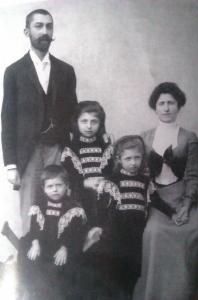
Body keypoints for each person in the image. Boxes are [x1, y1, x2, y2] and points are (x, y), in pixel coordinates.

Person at [1, 9, 78, 235]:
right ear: (27, 31)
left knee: (58, 207)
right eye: (39, 26)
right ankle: (28, 264)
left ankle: (56, 264)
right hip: (28, 153)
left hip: (57, 148)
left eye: (49, 26)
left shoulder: (66, 71)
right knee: (30, 209)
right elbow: (8, 119)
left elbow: (74, 114)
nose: (45, 31)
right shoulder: (13, 72)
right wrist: (11, 164)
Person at [133, 82, 198, 300]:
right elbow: (139, 170)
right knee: (153, 233)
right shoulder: (144, 137)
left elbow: (193, 174)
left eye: (171, 103)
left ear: (179, 105)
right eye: (161, 103)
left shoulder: (189, 137)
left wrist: (186, 206)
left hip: (183, 195)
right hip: (157, 200)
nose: (166, 108)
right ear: (155, 107)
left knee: (193, 232)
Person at [61, 100, 113, 300]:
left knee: (105, 239)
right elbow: (69, 177)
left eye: (94, 122)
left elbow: (110, 171)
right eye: (84, 121)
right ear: (76, 123)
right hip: (80, 197)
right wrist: (86, 182)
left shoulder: (105, 144)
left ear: (101, 124)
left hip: (103, 195)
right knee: (79, 231)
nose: (89, 126)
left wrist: (102, 182)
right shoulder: (70, 147)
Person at [17, 165, 87, 300]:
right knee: (25, 247)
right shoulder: (39, 205)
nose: (55, 189)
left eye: (59, 185)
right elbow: (35, 228)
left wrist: (65, 248)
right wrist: (35, 243)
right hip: (42, 244)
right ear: (43, 188)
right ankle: (31, 290)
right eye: (50, 186)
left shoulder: (74, 208)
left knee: (61, 270)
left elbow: (75, 233)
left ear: (66, 185)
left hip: (63, 246)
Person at [98, 135, 149, 300]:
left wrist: (173, 213)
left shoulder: (145, 180)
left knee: (133, 271)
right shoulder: (113, 180)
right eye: (128, 158)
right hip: (117, 234)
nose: (133, 162)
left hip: (137, 233)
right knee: (115, 271)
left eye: (137, 158)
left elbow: (154, 201)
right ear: (119, 159)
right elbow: (105, 208)